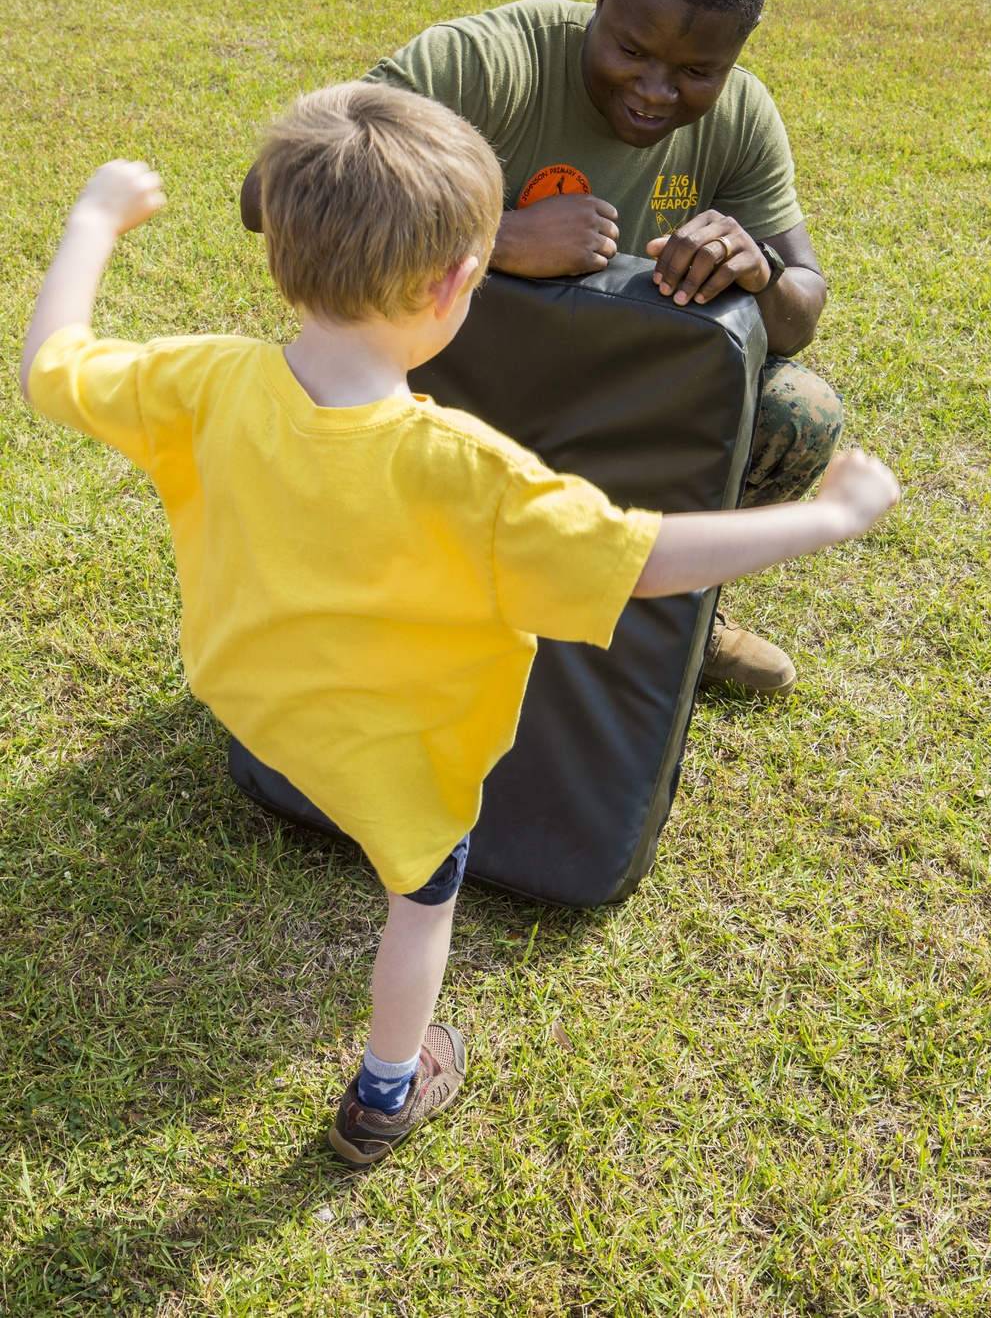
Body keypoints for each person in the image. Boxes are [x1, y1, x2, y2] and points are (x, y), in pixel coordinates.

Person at [24, 84, 898, 1169]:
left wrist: (94, 221)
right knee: (422, 902)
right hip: (403, 766)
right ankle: (388, 1091)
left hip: (249, 697)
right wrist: (826, 517)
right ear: (455, 285)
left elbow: (50, 367)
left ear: (282, 257)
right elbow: (646, 560)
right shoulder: (469, 475)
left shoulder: (202, 378)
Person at [240, 0, 841, 699]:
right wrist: (487, 239)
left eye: (699, 69)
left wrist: (760, 273)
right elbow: (265, 194)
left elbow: (802, 312)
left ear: (741, 47)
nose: (657, 91)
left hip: (611, 417)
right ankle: (392, 592)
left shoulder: (740, 118)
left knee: (798, 411)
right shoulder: (492, 62)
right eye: (631, 50)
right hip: (453, 394)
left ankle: (666, 617)